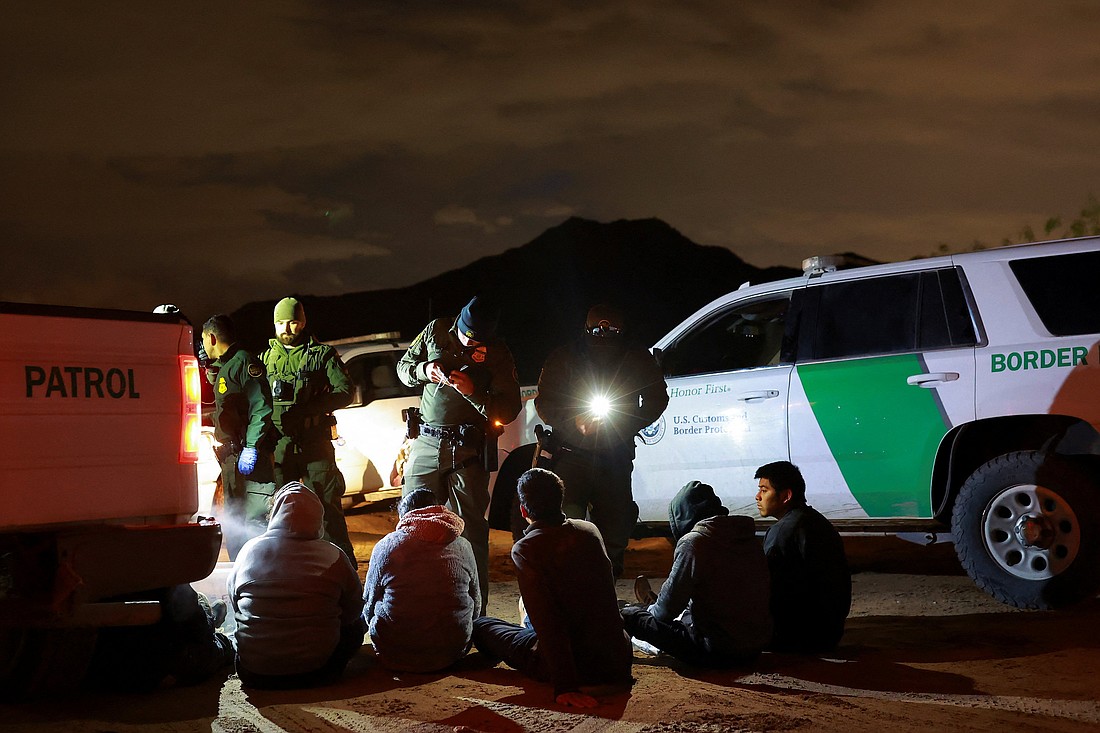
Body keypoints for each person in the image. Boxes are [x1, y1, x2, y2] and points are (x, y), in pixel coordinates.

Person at [396, 296, 522, 610]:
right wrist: (425, 369)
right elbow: (402, 368)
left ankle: (474, 612)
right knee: (411, 522)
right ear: (459, 322)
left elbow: (508, 409)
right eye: (465, 334)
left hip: (466, 450)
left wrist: (474, 393)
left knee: (471, 531)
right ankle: (411, 604)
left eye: (476, 339)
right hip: (426, 442)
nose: (468, 341)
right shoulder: (437, 330)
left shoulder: (499, 354)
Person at [472, 468, 632, 708]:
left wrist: (565, 686)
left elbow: (548, 621)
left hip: (577, 666)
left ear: (524, 510)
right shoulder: (589, 531)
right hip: (616, 658)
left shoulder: (527, 548)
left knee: (481, 627)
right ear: (561, 500)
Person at [534, 303, 669, 576]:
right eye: (598, 330)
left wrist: (627, 423)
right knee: (566, 528)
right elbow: (545, 403)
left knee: (614, 531)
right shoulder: (565, 357)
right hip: (572, 455)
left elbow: (658, 397)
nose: (604, 336)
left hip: (615, 456)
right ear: (587, 329)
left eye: (611, 331)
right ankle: (569, 590)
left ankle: (606, 595)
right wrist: (574, 423)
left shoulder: (635, 356)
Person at [228, 481, 365, 689]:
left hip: (255, 673)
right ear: (318, 517)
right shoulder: (333, 555)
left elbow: (235, 602)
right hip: (320, 671)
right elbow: (353, 609)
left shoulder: (248, 552)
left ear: (274, 515)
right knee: (358, 627)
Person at [622, 480, 771, 666]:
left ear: (681, 516)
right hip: (754, 648)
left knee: (630, 615)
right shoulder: (748, 539)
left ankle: (642, 616)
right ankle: (652, 604)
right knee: (689, 607)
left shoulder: (695, 542)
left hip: (715, 651)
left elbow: (665, 611)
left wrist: (647, 613)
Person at [261, 296, 357, 565]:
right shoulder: (266, 358)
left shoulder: (322, 355)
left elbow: (346, 392)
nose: (286, 329)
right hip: (280, 445)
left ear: (302, 323)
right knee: (280, 510)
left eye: (292, 322)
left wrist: (310, 407)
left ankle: (343, 567)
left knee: (328, 509)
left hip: (315, 442)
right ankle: (283, 568)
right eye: (280, 323)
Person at [363, 489, 480, 673]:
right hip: (452, 651)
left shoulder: (387, 546)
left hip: (395, 651)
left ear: (404, 515)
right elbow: (476, 601)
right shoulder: (463, 545)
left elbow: (368, 602)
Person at [201, 314, 278, 560]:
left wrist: (253, 446)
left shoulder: (244, 363)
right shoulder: (226, 365)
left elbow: (262, 405)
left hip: (248, 456)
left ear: (212, 338)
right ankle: (240, 576)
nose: (203, 346)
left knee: (255, 522)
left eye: (203, 340)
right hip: (231, 459)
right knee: (235, 522)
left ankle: (264, 578)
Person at [755, 461, 851, 653]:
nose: (757, 497)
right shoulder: (818, 521)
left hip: (798, 637)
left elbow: (769, 589)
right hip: (830, 633)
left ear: (786, 496)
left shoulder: (782, 532)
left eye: (764, 491)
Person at [87, 585, 234, 692]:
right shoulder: (163, 565)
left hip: (102, 667)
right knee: (220, 645)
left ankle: (210, 618)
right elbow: (200, 631)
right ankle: (213, 622)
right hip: (160, 667)